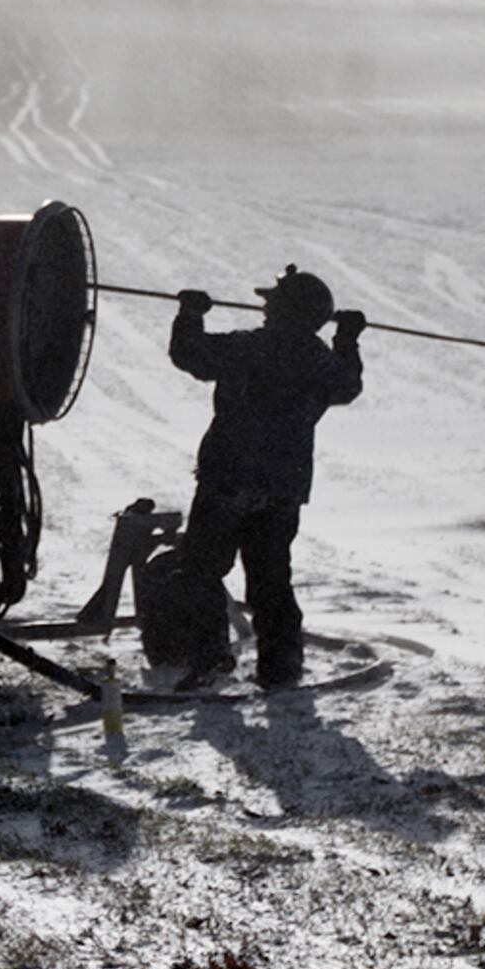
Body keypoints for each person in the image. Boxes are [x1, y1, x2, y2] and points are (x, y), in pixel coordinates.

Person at [159, 266, 365, 687]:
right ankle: (281, 666)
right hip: (282, 487)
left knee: (200, 573)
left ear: (283, 310)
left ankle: (210, 658)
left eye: (271, 301)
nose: (264, 306)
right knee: (271, 579)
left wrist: (191, 314)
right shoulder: (319, 361)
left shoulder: (247, 348)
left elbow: (190, 355)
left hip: (228, 481)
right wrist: (346, 339)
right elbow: (348, 386)